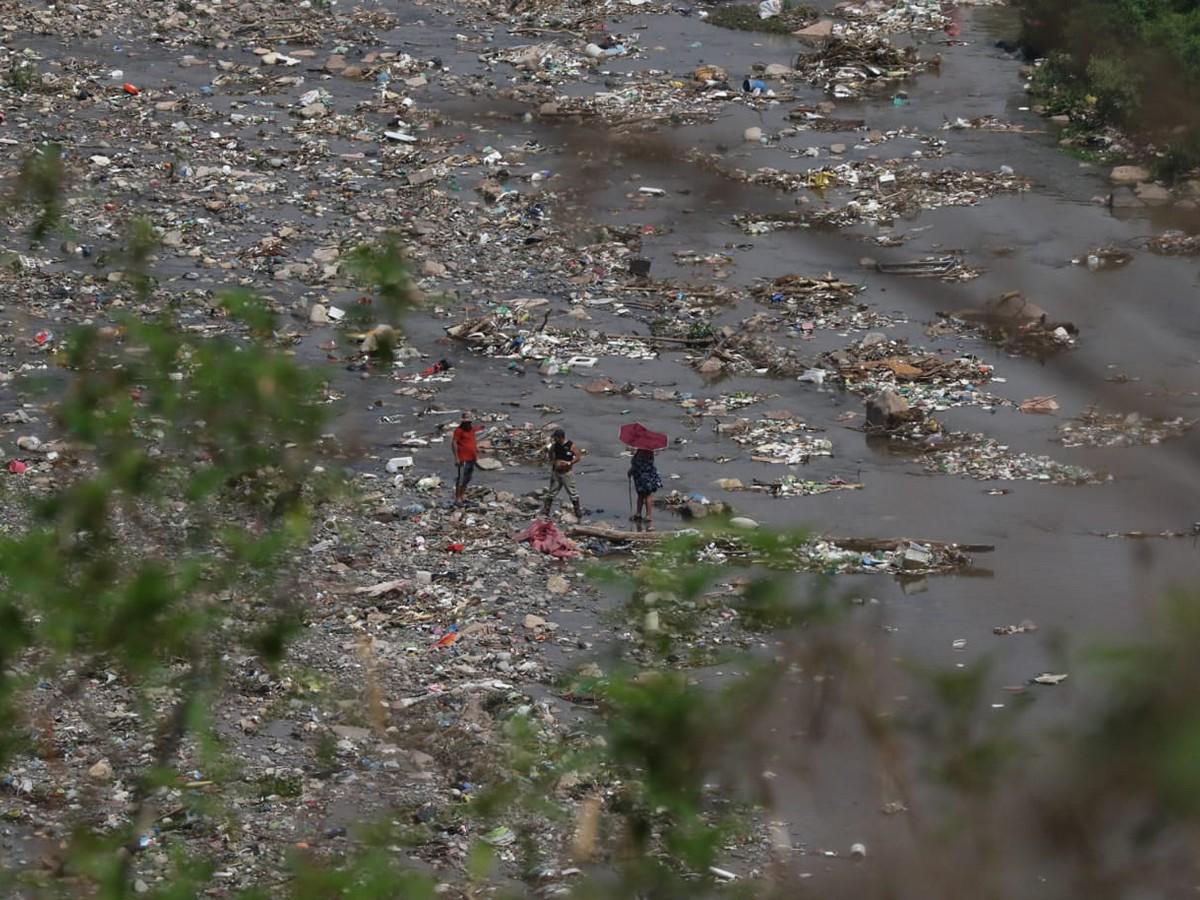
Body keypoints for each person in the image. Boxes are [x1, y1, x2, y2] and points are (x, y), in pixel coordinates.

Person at [541, 428, 583, 519]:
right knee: (551, 492)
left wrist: (569, 463)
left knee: (572, 492)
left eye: (556, 437)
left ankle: (577, 511)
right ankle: (546, 510)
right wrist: (553, 461)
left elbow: (578, 457)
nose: (554, 439)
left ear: (561, 437)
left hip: (567, 473)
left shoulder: (571, 445)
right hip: (556, 472)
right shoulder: (555, 445)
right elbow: (550, 453)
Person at [451, 413, 484, 505]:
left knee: (467, 478)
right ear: (463, 422)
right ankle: (457, 499)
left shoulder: (471, 430)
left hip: (472, 458)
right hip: (463, 458)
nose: (468, 424)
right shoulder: (459, 430)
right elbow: (454, 443)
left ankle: (462, 496)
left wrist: (476, 451)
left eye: (469, 422)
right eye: (466, 422)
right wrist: (456, 457)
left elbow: (472, 442)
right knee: (461, 479)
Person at [628, 448, 662, 526]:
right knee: (642, 494)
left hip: (643, 476)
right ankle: (640, 514)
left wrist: (631, 471)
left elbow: (637, 464)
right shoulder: (647, 451)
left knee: (646, 495)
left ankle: (647, 515)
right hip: (644, 476)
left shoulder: (644, 452)